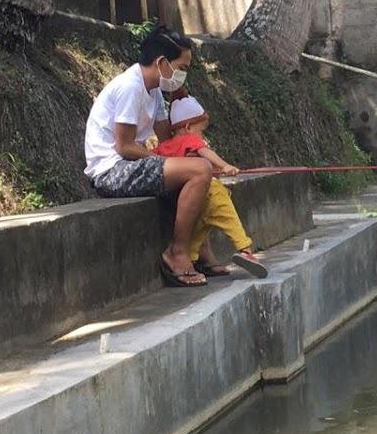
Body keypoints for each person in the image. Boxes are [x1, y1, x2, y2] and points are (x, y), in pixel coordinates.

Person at [84, 25, 213, 288]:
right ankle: (176, 254)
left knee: (199, 170)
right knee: (200, 171)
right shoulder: (130, 87)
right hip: (111, 171)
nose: (183, 75)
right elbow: (125, 146)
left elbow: (167, 139)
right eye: (182, 68)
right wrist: (179, 162)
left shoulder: (154, 90)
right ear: (162, 63)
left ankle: (201, 253)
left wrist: (194, 150)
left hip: (131, 164)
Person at [155, 96, 268, 279]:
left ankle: (191, 257)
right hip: (208, 192)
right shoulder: (189, 140)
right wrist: (225, 166)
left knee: (200, 226)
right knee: (226, 213)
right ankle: (245, 249)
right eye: (201, 131)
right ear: (188, 127)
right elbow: (205, 152)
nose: (202, 138)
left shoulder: (163, 146)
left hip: (184, 194)